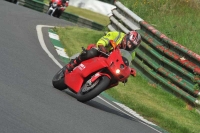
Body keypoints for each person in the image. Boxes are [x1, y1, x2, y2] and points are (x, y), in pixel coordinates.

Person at [65, 30, 142, 76]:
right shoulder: (117, 35)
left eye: (133, 46)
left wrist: (129, 70)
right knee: (92, 52)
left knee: (116, 76)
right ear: (126, 38)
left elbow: (126, 63)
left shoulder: (132, 53)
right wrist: (102, 46)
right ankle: (73, 63)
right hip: (102, 51)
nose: (130, 46)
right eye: (130, 43)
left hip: (111, 63)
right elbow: (104, 40)